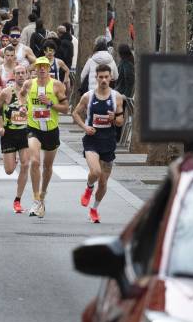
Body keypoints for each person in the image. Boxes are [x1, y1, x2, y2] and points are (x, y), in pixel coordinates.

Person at [72, 64, 125, 224]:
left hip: (108, 141)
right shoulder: (88, 96)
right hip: (92, 141)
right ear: (96, 78)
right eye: (100, 77)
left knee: (103, 183)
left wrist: (113, 119)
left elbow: (121, 121)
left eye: (106, 77)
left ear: (110, 78)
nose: (103, 80)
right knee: (95, 172)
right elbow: (75, 113)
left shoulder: (116, 97)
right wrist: (85, 127)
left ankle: (94, 209)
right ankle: (88, 188)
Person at [24, 56, 69, 217]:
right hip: (33, 128)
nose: (42, 69)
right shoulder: (29, 84)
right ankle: (36, 200)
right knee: (35, 161)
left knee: (47, 167)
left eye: (45, 66)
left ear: (49, 68)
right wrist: (22, 108)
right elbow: (21, 97)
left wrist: (50, 104)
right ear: (35, 69)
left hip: (51, 130)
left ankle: (42, 196)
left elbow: (65, 109)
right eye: (39, 66)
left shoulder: (57, 85)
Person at [0, 63, 31, 213]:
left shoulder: (31, 93)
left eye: (23, 73)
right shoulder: (7, 92)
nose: (21, 75)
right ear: (14, 75)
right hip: (9, 134)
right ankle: (14, 159)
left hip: (25, 133)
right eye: (18, 73)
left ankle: (17, 200)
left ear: (27, 75)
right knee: (9, 170)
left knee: (26, 165)